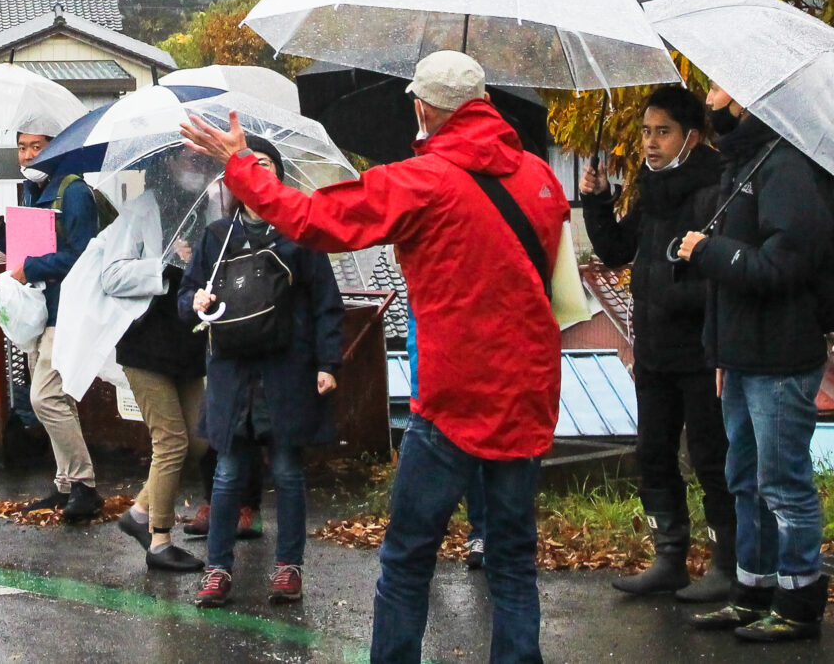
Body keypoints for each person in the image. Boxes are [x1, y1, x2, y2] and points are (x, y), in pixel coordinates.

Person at [181, 49, 566, 664]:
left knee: (410, 557)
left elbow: (310, 219)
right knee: (513, 561)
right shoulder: (542, 182)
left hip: (454, 399)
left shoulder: (422, 182)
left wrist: (242, 166)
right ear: (486, 105)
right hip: (528, 394)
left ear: (422, 107)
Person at [674, 85, 834, 644]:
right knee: (744, 479)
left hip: (781, 356)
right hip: (743, 356)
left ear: (748, 99)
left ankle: (798, 600)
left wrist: (708, 251)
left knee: (782, 482)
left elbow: (782, 265)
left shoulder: (788, 166)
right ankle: (752, 591)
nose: (709, 97)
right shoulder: (745, 163)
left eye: (719, 87)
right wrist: (720, 352)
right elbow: (732, 283)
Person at [576, 84, 735, 601]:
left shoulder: (715, 188)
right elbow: (618, 249)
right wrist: (597, 200)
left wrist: (674, 288)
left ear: (691, 136)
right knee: (653, 451)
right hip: (655, 346)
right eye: (646, 131)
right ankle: (669, 555)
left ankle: (726, 562)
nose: (650, 142)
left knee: (712, 456)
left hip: (700, 349)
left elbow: (717, 275)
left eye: (662, 132)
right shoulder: (654, 188)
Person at [180, 136, 346, 608]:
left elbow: (325, 305)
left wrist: (327, 363)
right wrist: (195, 302)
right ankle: (217, 571)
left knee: (289, 472)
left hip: (287, 370)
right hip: (233, 373)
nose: (262, 173)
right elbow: (185, 304)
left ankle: (288, 567)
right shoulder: (217, 237)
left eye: (269, 165)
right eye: (251, 165)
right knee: (229, 473)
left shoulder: (302, 234)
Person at [0, 130, 103, 522]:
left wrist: (30, 268)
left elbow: (84, 255)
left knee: (44, 398)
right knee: (56, 399)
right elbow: (26, 249)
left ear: (58, 147)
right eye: (22, 147)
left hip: (65, 309)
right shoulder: (33, 191)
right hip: (40, 310)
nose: (28, 155)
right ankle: (65, 483)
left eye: (37, 147)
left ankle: (85, 485)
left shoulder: (74, 192)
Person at [112, 234, 209, 572]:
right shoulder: (141, 217)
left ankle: (140, 512)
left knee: (199, 437)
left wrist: (200, 260)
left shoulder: (214, 220)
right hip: (144, 345)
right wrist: (167, 261)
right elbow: (112, 277)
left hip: (187, 348)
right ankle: (160, 541)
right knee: (170, 441)